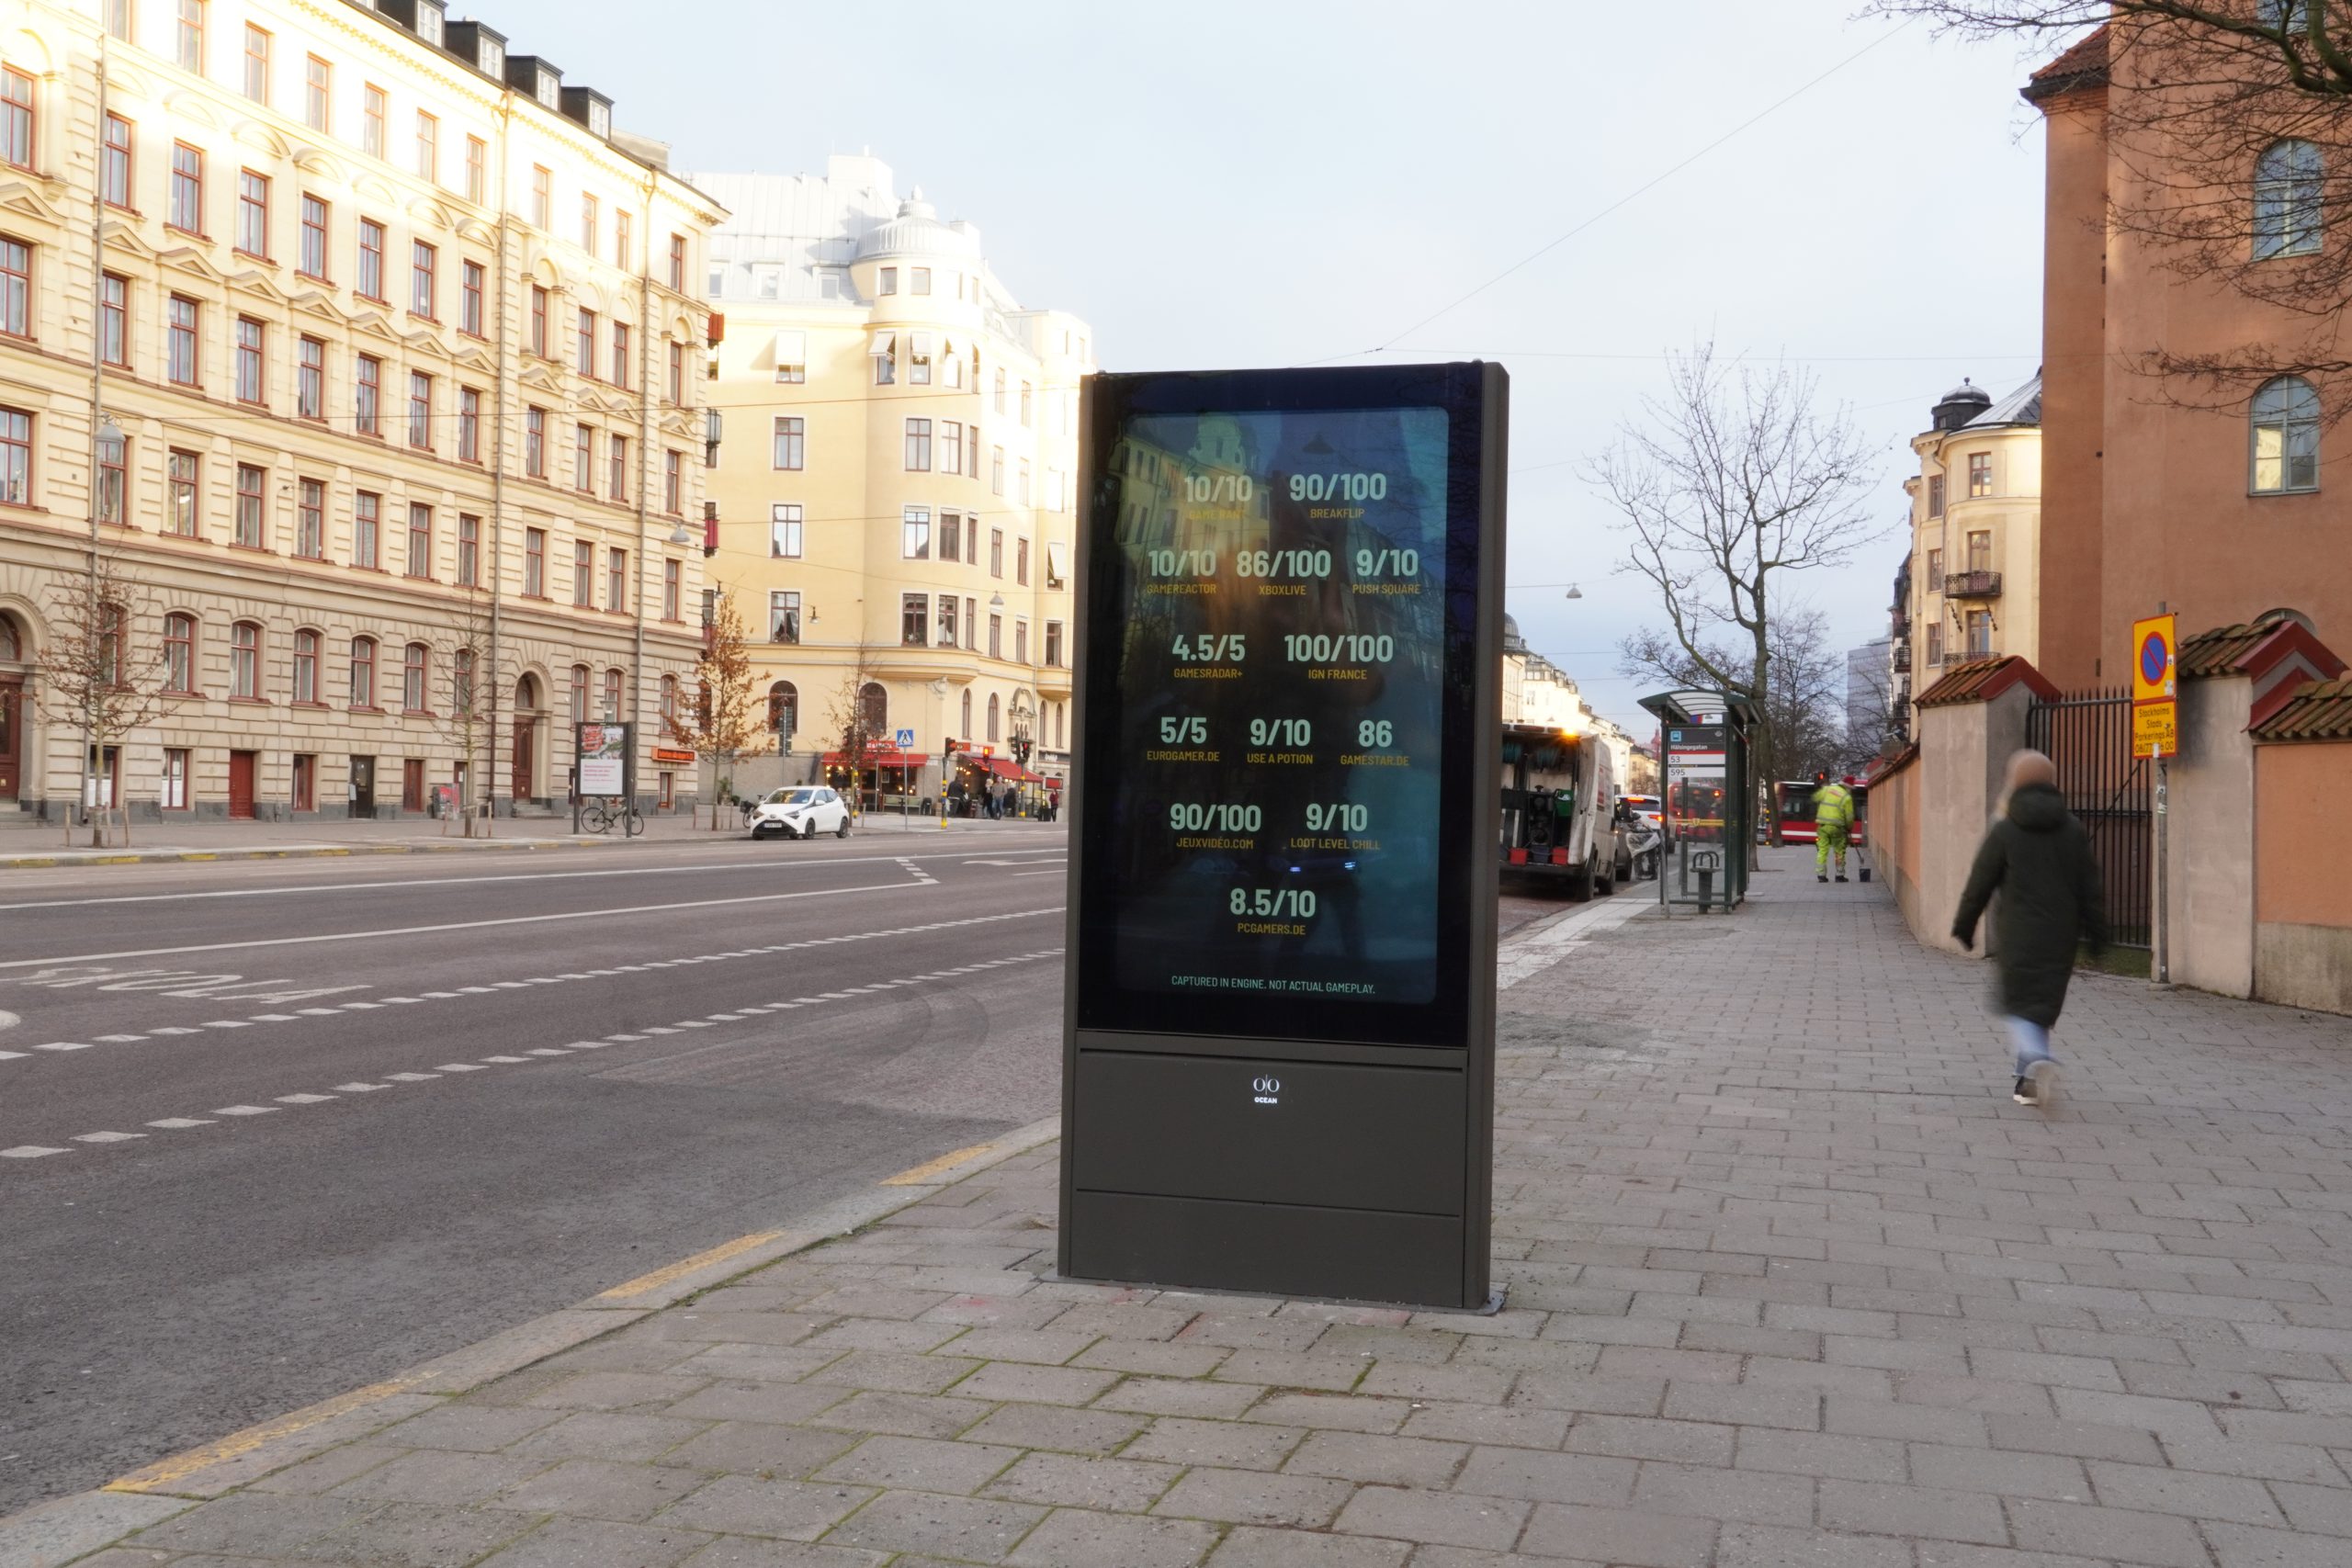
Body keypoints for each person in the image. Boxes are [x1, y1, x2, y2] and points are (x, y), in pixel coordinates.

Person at [1952, 750, 2108, 1107]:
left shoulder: (2006, 828)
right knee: (2041, 1004)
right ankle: (2029, 1083)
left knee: (2018, 1003)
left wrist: (1964, 925)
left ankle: (2037, 1059)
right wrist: (2099, 934)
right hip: (2062, 934)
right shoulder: (2072, 828)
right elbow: (2090, 886)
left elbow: (1980, 883)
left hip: (2018, 931)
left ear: (2014, 781)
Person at [1812, 771, 1856, 883]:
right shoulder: (1846, 797)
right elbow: (1849, 816)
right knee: (1839, 851)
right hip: (1837, 828)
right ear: (1849, 787)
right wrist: (1849, 827)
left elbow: (1815, 798)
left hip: (1822, 826)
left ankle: (1821, 876)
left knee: (1822, 850)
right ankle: (1839, 875)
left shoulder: (1827, 789)